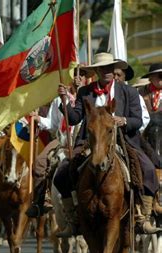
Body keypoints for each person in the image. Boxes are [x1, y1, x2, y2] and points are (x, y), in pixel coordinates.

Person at [52, 53, 160, 237]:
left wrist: (123, 120)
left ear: (115, 70)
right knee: (61, 174)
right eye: (103, 68)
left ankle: (143, 218)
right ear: (97, 71)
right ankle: (73, 220)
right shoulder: (85, 92)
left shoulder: (129, 92)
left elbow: (138, 120)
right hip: (90, 142)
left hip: (123, 140)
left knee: (149, 170)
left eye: (110, 68)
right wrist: (64, 103)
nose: (108, 72)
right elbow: (74, 118)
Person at [26, 67, 90, 218]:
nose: (78, 78)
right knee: (40, 163)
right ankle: (41, 200)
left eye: (82, 75)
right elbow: (53, 124)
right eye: (75, 74)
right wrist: (38, 118)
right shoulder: (59, 99)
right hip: (62, 139)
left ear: (87, 78)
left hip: (83, 140)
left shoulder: (89, 96)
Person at [113, 61, 150, 132]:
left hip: (129, 134)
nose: (115, 78)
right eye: (113, 75)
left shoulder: (133, 94)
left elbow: (144, 120)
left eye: (119, 75)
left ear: (124, 76)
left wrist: (124, 120)